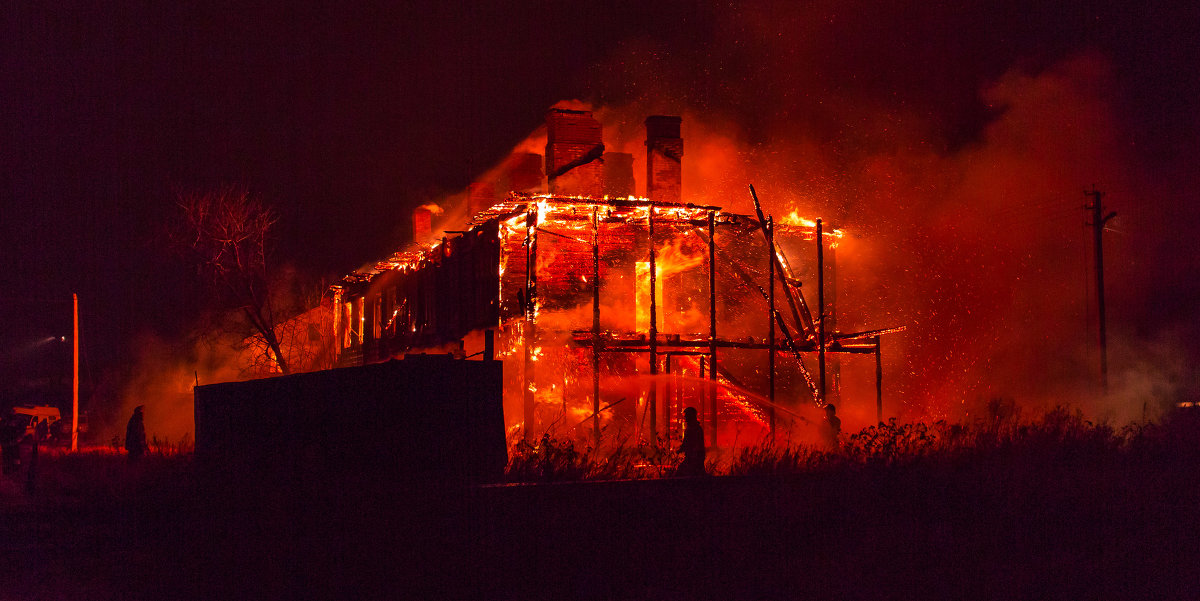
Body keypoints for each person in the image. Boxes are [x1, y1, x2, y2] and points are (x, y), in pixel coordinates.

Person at [677, 406, 706, 477]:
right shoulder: (696, 428)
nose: (685, 419)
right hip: (695, 457)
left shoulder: (693, 429)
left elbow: (688, 442)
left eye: (686, 416)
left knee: (682, 474)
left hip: (693, 457)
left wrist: (680, 450)